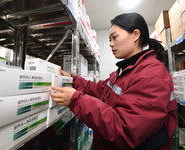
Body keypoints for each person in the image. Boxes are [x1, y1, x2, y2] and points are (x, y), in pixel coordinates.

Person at [50, 12, 178, 150]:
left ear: (135, 35)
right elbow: (99, 89)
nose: (110, 44)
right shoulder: (125, 70)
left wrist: (76, 100)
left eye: (114, 37)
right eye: (109, 39)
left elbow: (126, 130)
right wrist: (72, 80)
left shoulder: (152, 75)